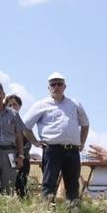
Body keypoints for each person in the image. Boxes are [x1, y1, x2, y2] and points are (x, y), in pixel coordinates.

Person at [22, 72, 89, 202]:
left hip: (72, 150)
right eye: (53, 84)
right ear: (49, 88)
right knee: (49, 184)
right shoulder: (41, 105)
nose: (56, 87)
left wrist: (82, 142)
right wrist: (35, 142)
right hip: (52, 150)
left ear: (65, 86)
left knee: (73, 185)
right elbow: (25, 126)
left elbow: (85, 124)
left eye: (59, 84)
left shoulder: (75, 104)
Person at [5, 94, 35, 197]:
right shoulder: (3, 125)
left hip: (23, 160)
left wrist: (20, 156)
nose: (12, 107)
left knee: (21, 186)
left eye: (15, 104)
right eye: (9, 105)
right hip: (6, 159)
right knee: (7, 187)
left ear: (19, 106)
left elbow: (29, 142)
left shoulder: (25, 123)